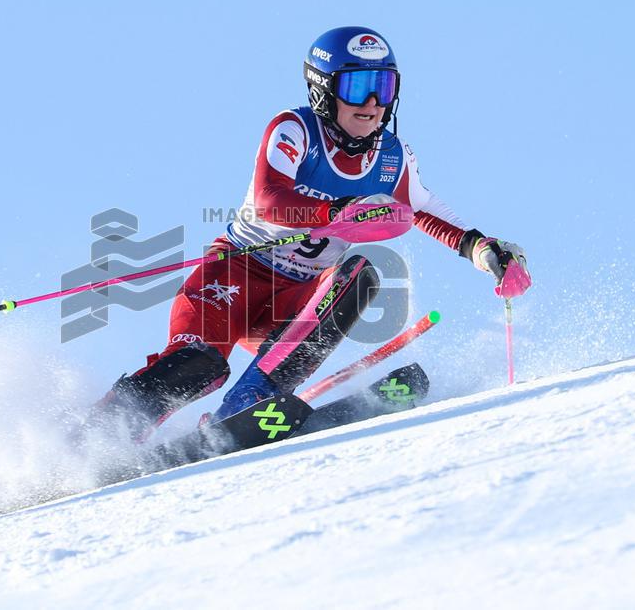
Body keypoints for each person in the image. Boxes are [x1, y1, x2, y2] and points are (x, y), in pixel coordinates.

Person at [87, 26, 530, 440]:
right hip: (236, 275)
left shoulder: (393, 158)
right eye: (358, 87)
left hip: (296, 302)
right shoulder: (295, 129)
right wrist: (336, 211)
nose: (373, 102)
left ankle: (248, 402)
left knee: (359, 274)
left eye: (385, 87)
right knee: (199, 365)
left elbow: (425, 212)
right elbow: (269, 198)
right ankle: (101, 438)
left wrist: (484, 250)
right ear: (324, 89)